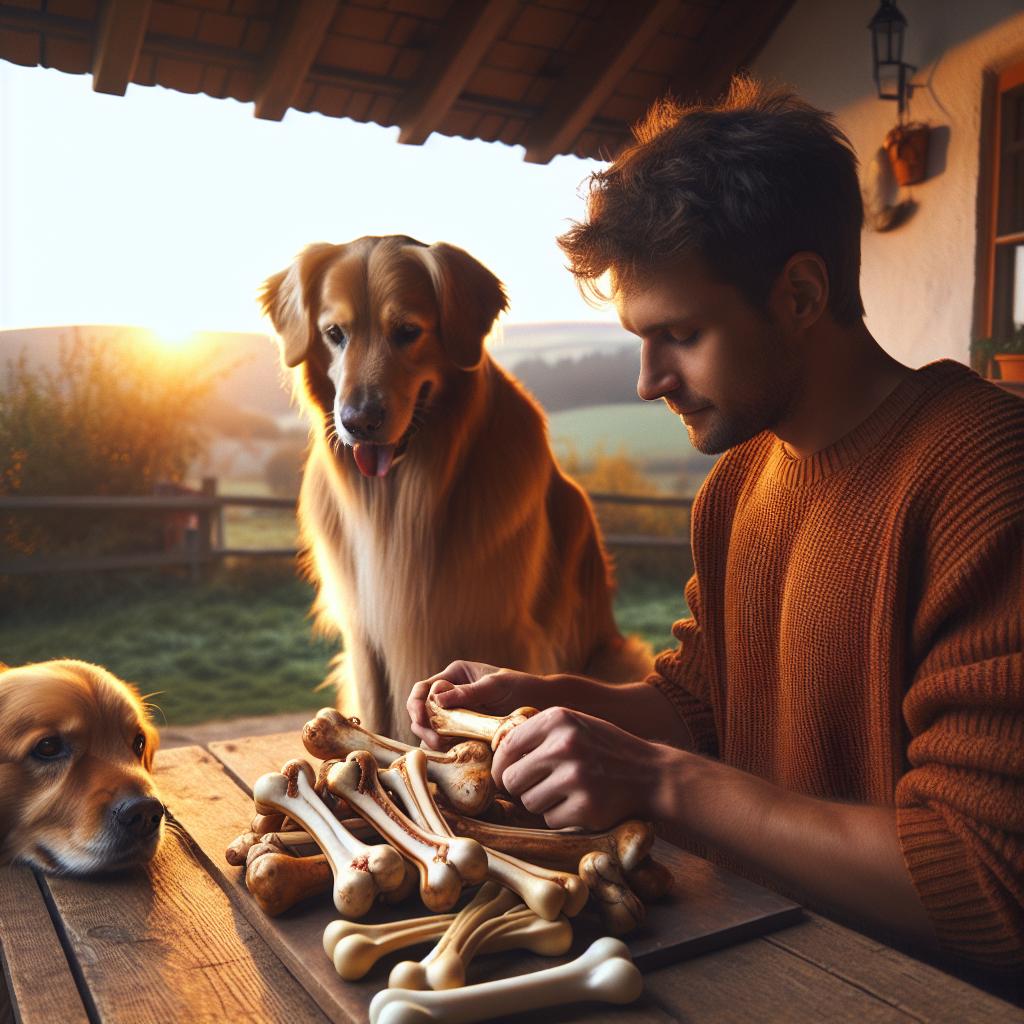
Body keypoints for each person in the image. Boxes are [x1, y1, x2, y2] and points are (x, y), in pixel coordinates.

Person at [407, 77, 1024, 970]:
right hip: (751, 949)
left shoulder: (984, 476)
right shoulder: (741, 480)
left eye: (681, 334)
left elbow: (987, 881)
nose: (648, 379)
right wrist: (544, 701)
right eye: (639, 338)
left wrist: (657, 783)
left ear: (802, 295)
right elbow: (704, 707)